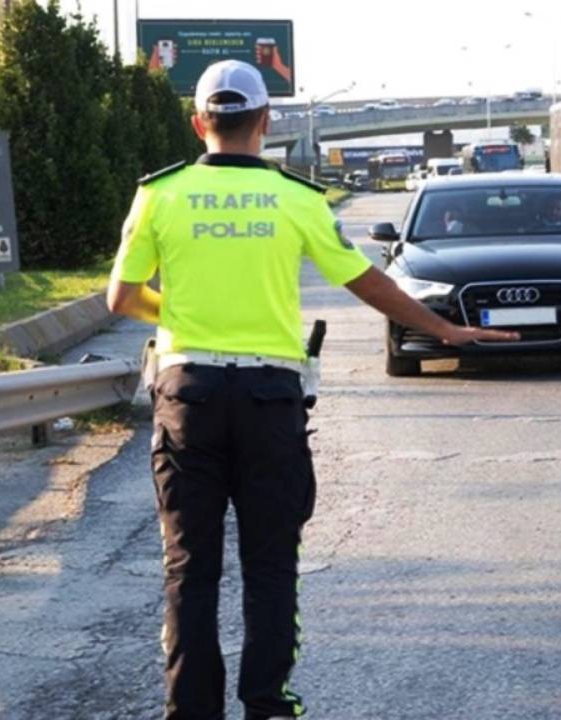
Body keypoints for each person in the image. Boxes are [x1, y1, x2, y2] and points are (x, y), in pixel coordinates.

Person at [107, 60, 516, 720]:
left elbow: (120, 297)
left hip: (188, 398)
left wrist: (180, 314)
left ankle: (190, 712)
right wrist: (444, 328)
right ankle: (268, 705)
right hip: (270, 400)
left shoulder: (160, 194)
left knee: (190, 570)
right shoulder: (295, 198)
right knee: (270, 567)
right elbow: (365, 281)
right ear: (267, 124)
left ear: (197, 123)